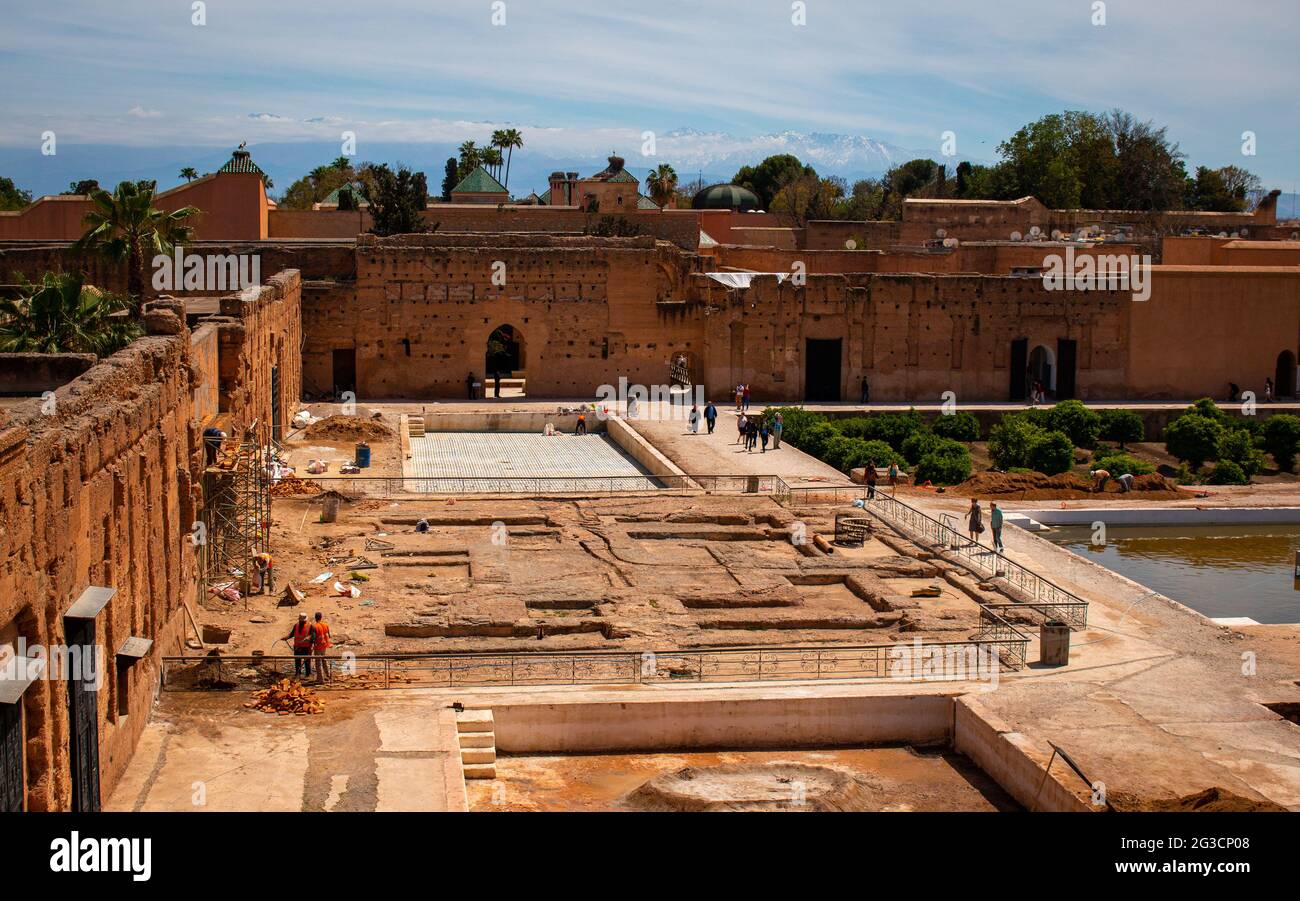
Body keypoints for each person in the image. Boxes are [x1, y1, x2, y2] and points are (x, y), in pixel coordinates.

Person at [285, 614, 314, 679]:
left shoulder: (310, 626)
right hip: (297, 647)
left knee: (307, 662)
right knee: (297, 661)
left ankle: (308, 675)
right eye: (301, 621)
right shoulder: (296, 625)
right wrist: (286, 637)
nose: (302, 622)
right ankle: (298, 674)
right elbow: (292, 634)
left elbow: (313, 635)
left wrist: (309, 637)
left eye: (303, 621)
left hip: (306, 647)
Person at [311, 612, 332, 685]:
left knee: (318, 663)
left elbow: (313, 638)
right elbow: (329, 635)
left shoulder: (315, 626)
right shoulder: (325, 625)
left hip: (318, 646)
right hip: (324, 645)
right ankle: (328, 675)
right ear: (321, 617)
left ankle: (321, 679)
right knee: (324, 660)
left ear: (315, 618)